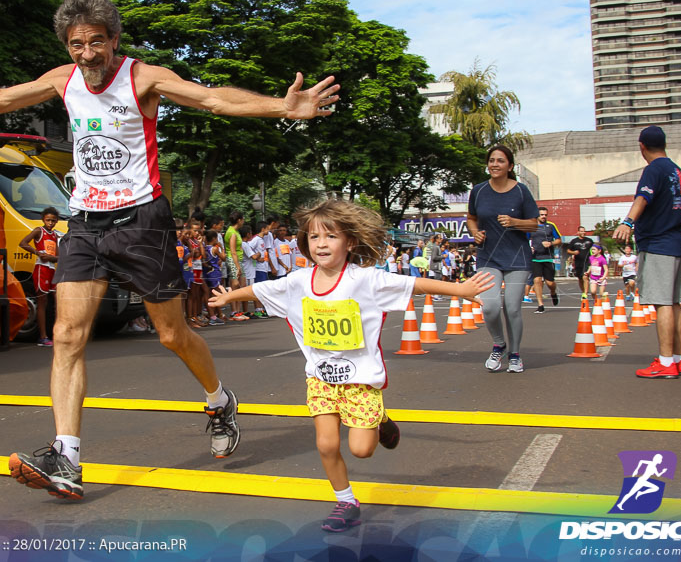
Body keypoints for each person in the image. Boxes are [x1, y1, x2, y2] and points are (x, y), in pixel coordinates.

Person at [0, 0, 340, 498]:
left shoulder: (143, 78)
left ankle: (219, 398)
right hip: (87, 224)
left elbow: (211, 97)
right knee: (70, 335)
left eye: (96, 43)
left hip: (142, 220)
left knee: (172, 335)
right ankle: (66, 458)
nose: (87, 54)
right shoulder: (63, 79)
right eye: (77, 44)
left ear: (114, 41)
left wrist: (282, 107)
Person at [207, 199, 494, 532]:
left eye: (330, 237)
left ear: (350, 242)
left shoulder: (365, 280)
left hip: (360, 380)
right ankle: (346, 501)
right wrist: (229, 297)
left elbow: (412, 285)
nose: (321, 244)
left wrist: (460, 289)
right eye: (314, 238)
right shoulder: (299, 281)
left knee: (361, 450)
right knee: (326, 444)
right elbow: (262, 289)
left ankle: (381, 420)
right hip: (321, 378)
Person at [612, 126, 681, 379]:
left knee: (663, 303)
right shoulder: (679, 171)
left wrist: (628, 222)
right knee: (675, 303)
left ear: (642, 146)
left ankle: (666, 361)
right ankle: (678, 359)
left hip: (659, 244)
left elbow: (642, 198)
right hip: (679, 242)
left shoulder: (653, 170)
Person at [467, 145, 540, 374]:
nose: (494, 164)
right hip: (488, 257)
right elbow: (471, 218)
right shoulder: (478, 190)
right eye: (491, 160)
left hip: (517, 258)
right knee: (489, 307)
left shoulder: (520, 191)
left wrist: (515, 222)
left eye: (500, 161)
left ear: (509, 166)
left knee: (512, 308)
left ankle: (515, 354)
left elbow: (535, 223)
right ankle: (499, 344)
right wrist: (474, 232)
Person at [18, 206, 62, 346]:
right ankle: (43, 337)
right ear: (43, 219)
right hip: (41, 269)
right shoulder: (39, 231)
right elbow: (23, 243)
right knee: (42, 302)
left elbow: (57, 257)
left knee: (56, 302)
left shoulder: (55, 235)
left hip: (51, 269)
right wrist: (38, 253)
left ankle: (56, 334)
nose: (50, 223)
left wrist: (50, 257)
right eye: (48, 220)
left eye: (53, 221)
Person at [529, 206, 562, 313]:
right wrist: (529, 247)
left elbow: (559, 240)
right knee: (537, 280)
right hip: (535, 258)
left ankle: (553, 292)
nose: (543, 217)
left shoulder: (550, 226)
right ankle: (540, 304)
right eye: (541, 214)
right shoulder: (531, 226)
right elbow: (525, 239)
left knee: (550, 283)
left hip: (548, 258)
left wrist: (551, 243)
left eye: (545, 215)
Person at [566, 226, 595, 298]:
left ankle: (585, 293)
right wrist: (573, 252)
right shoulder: (574, 241)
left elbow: (594, 249)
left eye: (584, 231)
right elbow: (568, 250)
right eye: (581, 231)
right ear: (578, 232)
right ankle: (583, 292)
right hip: (578, 262)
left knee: (585, 276)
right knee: (580, 278)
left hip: (587, 261)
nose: (583, 232)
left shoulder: (589, 240)